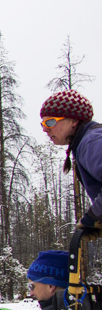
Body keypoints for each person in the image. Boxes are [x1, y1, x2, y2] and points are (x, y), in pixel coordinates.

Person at [39, 90, 102, 240]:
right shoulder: (88, 142)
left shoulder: (92, 142)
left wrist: (93, 217)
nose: (45, 129)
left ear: (73, 120)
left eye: (51, 122)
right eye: (43, 124)